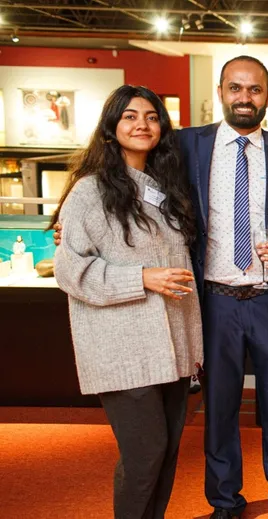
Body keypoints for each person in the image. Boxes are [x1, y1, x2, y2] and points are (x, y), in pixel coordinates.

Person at [52, 84, 203, 519]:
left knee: (168, 452)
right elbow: (70, 271)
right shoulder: (90, 191)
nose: (142, 124)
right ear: (111, 126)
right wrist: (142, 278)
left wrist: (194, 350)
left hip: (174, 346)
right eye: (131, 116)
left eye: (152, 117)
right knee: (145, 454)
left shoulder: (165, 188)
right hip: (124, 348)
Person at [179, 56, 268, 519]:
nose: (244, 97)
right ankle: (224, 500)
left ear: (267, 98)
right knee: (219, 410)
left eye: (254, 90)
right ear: (220, 91)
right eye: (235, 88)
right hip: (214, 299)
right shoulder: (187, 147)